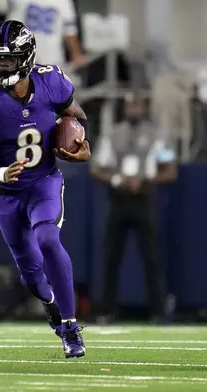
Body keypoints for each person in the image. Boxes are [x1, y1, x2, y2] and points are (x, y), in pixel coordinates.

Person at [0, 20, 91, 358]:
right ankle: (51, 305)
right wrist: (1, 172)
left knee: (49, 238)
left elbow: (78, 118)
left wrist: (81, 145)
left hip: (44, 182)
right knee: (32, 278)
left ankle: (71, 327)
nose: (1, 66)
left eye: (8, 59)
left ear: (26, 57)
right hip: (7, 194)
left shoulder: (51, 82)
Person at [90, 92, 177, 324]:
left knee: (152, 257)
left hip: (144, 199)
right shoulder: (113, 135)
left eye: (137, 105)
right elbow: (96, 168)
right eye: (130, 106)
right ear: (124, 108)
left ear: (144, 107)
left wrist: (146, 180)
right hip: (118, 199)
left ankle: (158, 311)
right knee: (110, 256)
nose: (134, 110)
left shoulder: (158, 136)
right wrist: (118, 180)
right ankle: (106, 310)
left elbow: (170, 172)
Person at [0, 0, 86, 68]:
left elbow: (69, 31)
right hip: (18, 56)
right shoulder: (64, 2)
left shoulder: (64, 2)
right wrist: (76, 55)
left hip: (47, 59)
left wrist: (76, 55)